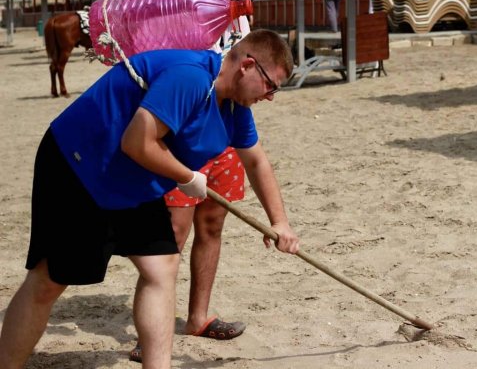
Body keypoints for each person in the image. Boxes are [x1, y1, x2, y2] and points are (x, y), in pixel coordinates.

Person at [0, 29, 299, 369]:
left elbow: (256, 161)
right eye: (271, 85)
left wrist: (280, 222)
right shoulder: (190, 78)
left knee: (161, 267)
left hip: (136, 179)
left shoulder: (234, 106)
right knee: (48, 281)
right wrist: (186, 177)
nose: (271, 96)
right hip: (80, 164)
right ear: (247, 65)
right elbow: (137, 142)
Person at [128, 0, 260, 363]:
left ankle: (198, 317)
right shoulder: (178, 10)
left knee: (212, 224)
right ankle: (152, 334)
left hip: (225, 132)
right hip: (179, 136)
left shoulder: (242, 20)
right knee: (173, 232)